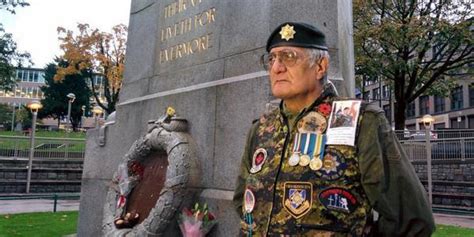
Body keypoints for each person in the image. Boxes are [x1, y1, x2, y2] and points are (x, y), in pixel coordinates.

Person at [233, 22, 434, 236]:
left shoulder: (361, 120)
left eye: (288, 56)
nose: (276, 68)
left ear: (320, 66)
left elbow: (412, 219)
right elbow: (243, 202)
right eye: (271, 59)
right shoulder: (262, 128)